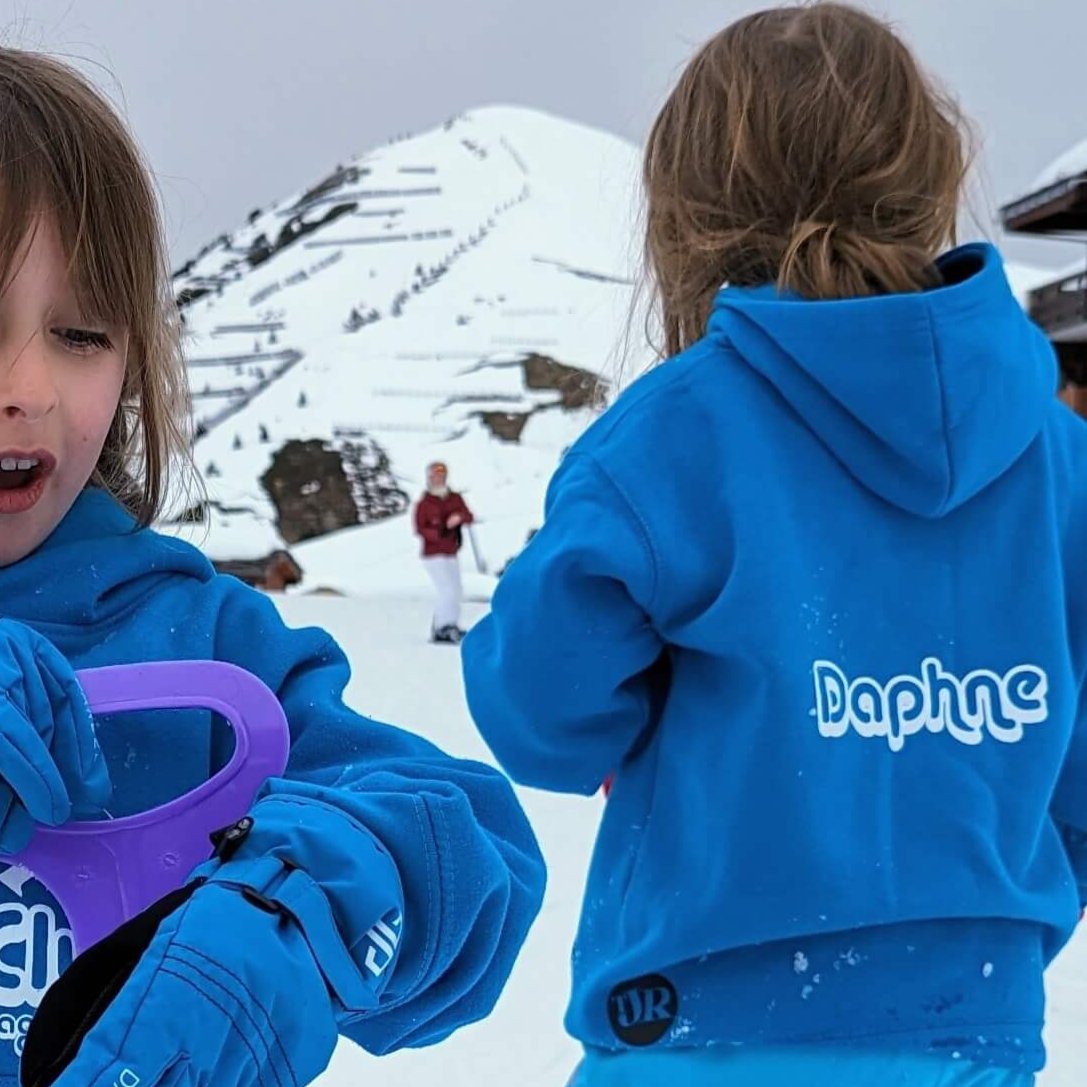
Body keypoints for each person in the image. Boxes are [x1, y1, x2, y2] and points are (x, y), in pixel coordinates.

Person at [461, 5, 1086, 1086]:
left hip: (706, 1028)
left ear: (688, 215)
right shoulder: (1059, 455)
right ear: (927, 180)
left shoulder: (675, 434)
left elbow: (542, 716)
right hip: (969, 1033)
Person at [0, 48, 544, 1087]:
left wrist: (286, 911)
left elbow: (466, 846)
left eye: (79, 331)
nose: (29, 383)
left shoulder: (202, 645)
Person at [414, 462, 474, 644]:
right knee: (446, 589)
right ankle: (441, 626)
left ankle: (451, 624)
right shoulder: (424, 504)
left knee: (456, 590)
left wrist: (459, 518)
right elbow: (420, 528)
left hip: (451, 551)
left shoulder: (454, 498)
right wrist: (440, 531)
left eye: (442, 476)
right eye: (435, 476)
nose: (439, 479)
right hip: (433, 553)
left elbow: (468, 515)